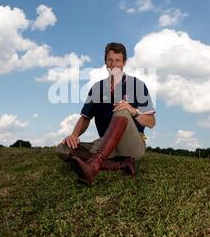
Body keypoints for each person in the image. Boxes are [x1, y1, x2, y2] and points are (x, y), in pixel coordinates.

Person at [56, 42, 156, 186]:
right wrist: (74, 135)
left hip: (132, 146)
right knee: (62, 148)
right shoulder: (97, 88)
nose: (113, 64)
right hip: (107, 144)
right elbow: (85, 118)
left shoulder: (138, 85)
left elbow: (152, 122)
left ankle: (93, 165)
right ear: (105, 62)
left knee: (122, 108)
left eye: (118, 60)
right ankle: (121, 165)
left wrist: (133, 111)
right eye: (110, 60)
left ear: (124, 62)